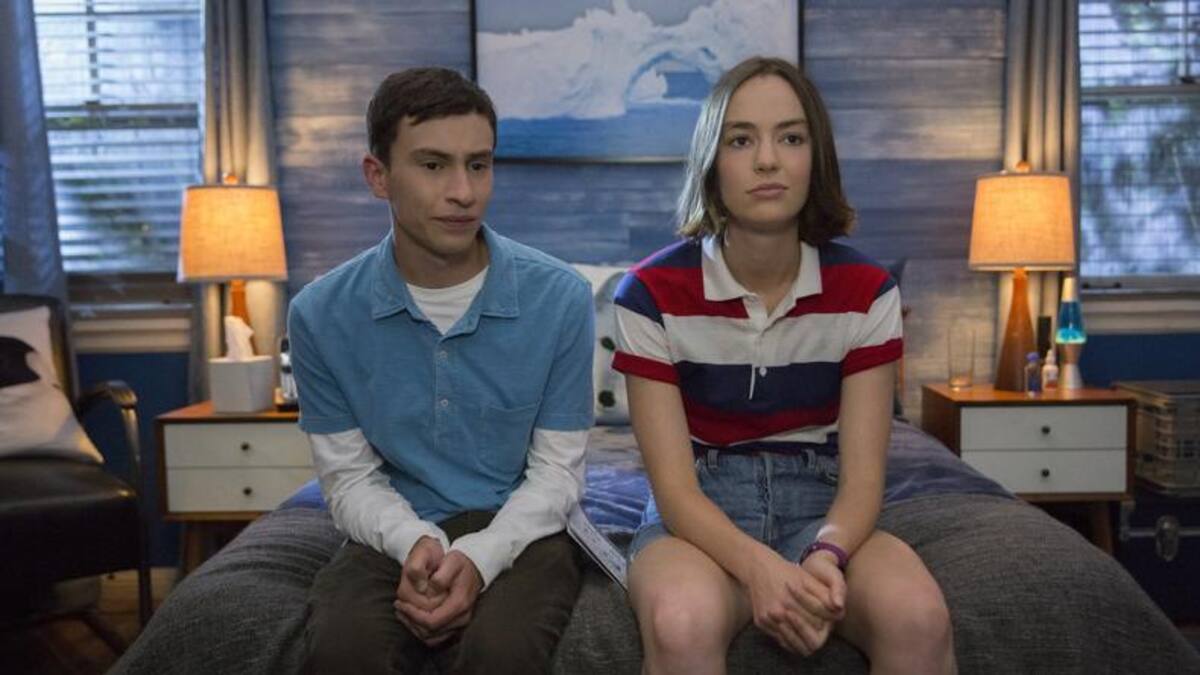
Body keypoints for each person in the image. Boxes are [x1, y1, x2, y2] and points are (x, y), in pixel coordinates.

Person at [613, 56, 956, 674]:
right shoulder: (648, 294)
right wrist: (761, 570)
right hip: (700, 518)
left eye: (791, 138)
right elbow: (675, 492)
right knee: (681, 621)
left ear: (815, 158)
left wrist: (825, 555)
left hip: (823, 510)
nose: (767, 160)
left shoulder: (868, 292)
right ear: (712, 162)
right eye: (741, 140)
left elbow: (862, 482)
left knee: (918, 617)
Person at [288, 66, 594, 674]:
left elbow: (557, 475)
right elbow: (349, 479)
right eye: (433, 165)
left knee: (502, 652)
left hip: (522, 526)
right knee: (344, 650)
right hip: (392, 528)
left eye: (479, 165)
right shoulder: (319, 314)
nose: (464, 192)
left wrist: (481, 556)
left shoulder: (561, 297)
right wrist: (415, 541)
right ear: (378, 176)